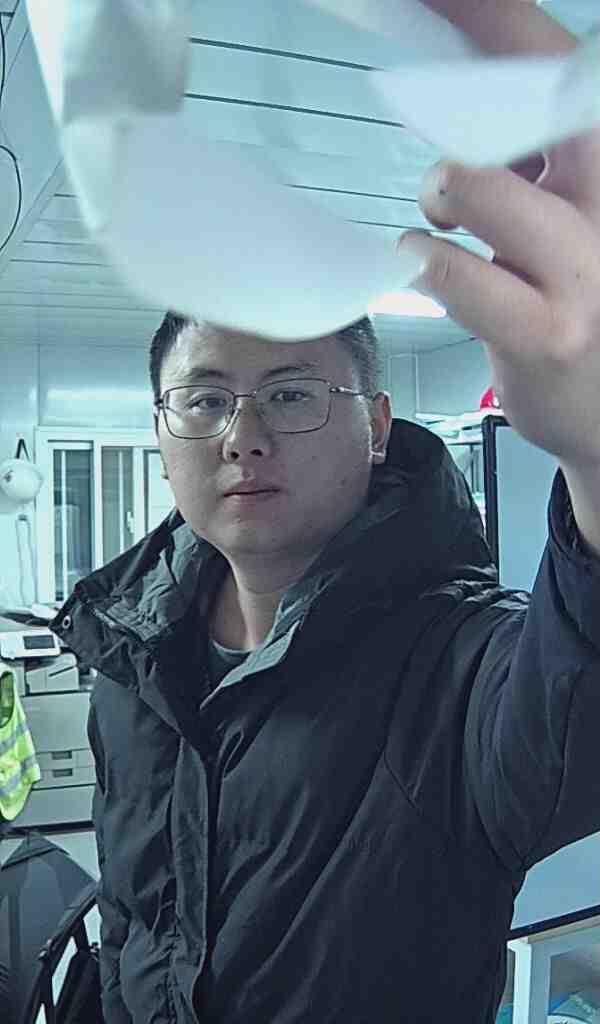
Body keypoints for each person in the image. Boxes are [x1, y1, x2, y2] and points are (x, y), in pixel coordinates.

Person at [52, 2, 600, 1022]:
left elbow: (578, 713)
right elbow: (134, 922)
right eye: (205, 399)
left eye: (293, 393)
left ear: (376, 426)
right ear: (162, 429)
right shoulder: (131, 656)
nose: (242, 436)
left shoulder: (457, 666)